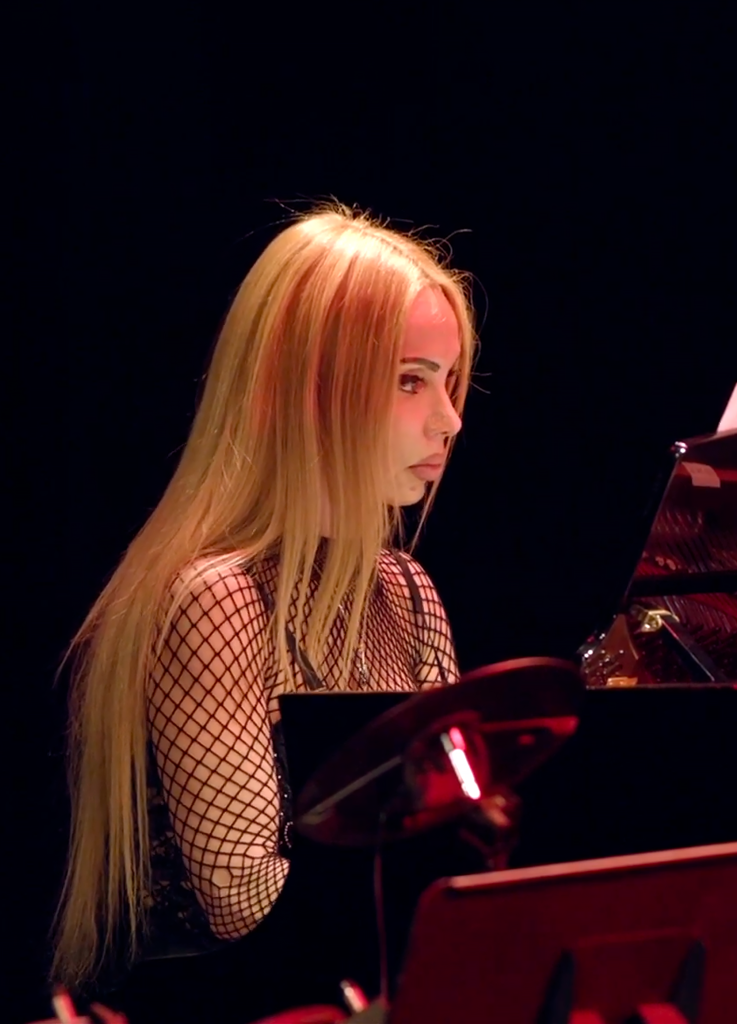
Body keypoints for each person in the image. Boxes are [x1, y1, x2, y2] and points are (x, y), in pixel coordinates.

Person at [51, 203, 477, 1023]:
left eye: (449, 382)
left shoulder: (409, 593)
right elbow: (245, 901)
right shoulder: (217, 599)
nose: (449, 420)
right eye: (409, 379)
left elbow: (447, 856)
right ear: (308, 390)